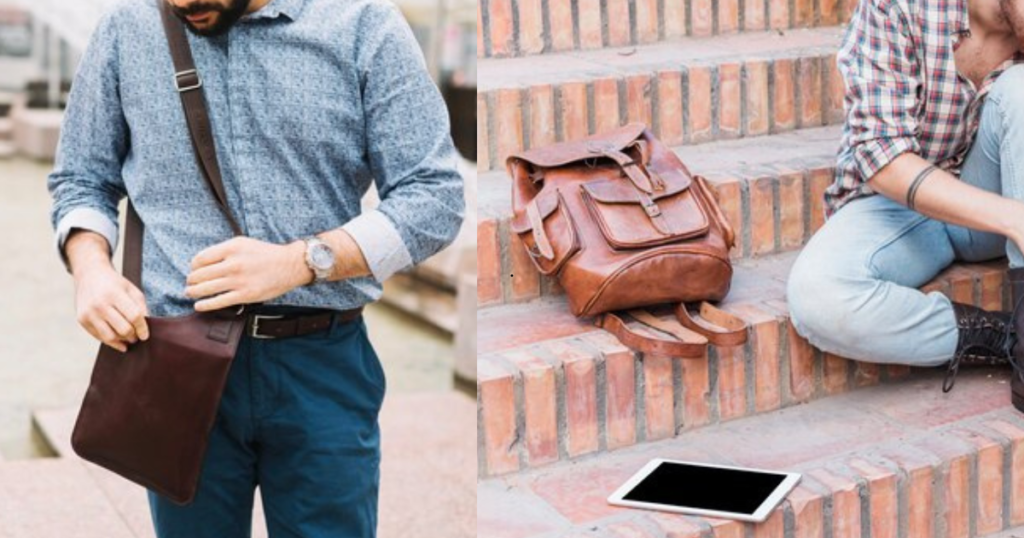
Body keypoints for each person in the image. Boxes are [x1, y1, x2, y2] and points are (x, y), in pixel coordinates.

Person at [47, 0, 465, 536]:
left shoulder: (363, 24)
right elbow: (82, 178)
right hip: (177, 362)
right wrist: (92, 272)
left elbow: (435, 196)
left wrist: (302, 262)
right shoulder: (126, 29)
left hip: (323, 365)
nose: (180, 5)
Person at [787, 0, 1024, 402]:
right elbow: (880, 155)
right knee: (819, 297)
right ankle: (1004, 336)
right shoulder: (899, 7)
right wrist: (1014, 218)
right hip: (896, 204)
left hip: (994, 188)